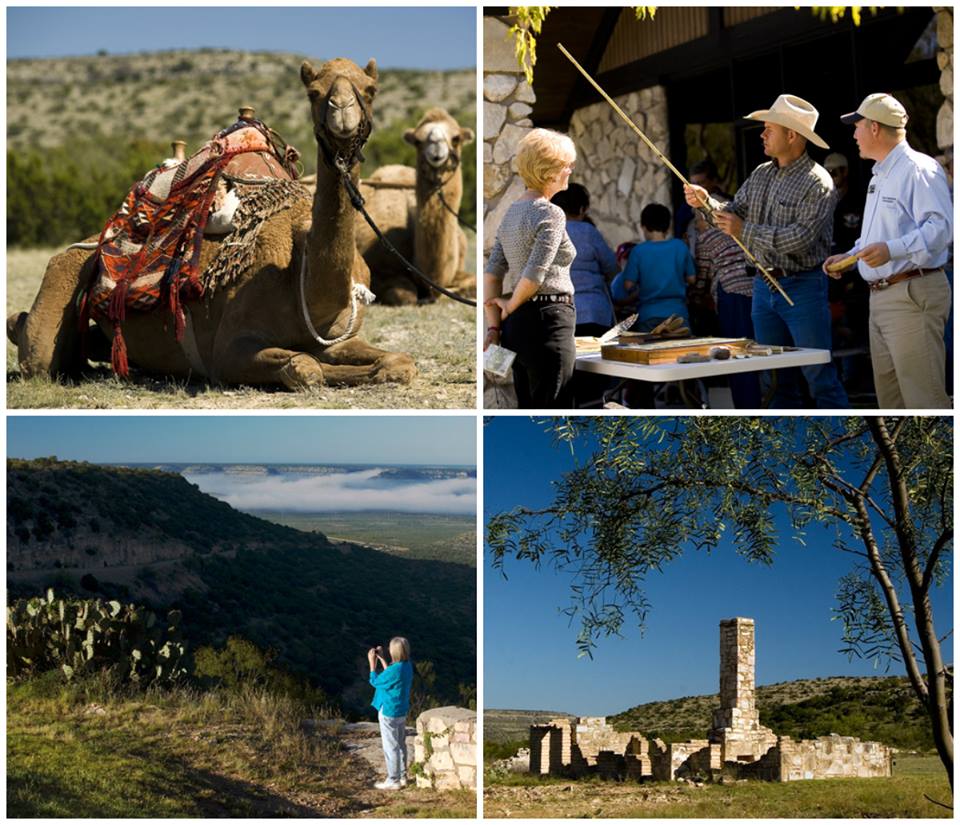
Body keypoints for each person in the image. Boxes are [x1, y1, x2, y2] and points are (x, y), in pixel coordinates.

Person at [683, 93, 849, 409]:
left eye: (768, 129)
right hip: (763, 287)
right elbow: (733, 211)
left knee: (819, 377)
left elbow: (800, 238)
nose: (761, 134)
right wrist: (706, 201)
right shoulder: (761, 174)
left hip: (802, 288)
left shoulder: (819, 182)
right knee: (773, 380)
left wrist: (743, 231)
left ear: (791, 135)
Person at [823, 93, 953, 409]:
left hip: (911, 293)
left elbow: (942, 229)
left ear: (875, 128)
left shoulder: (918, 168)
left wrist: (891, 250)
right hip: (884, 296)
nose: (854, 135)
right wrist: (850, 259)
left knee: (925, 403)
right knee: (892, 406)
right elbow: (879, 238)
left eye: (858, 126)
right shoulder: (880, 174)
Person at [484, 128, 577, 408]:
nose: (571, 171)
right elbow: (535, 273)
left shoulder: (510, 212)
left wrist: (494, 327)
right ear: (550, 171)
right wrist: (510, 305)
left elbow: (492, 272)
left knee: (528, 410)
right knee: (556, 412)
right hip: (549, 321)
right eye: (567, 165)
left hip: (515, 329)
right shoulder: (551, 212)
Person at [693, 211, 761, 408]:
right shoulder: (739, 230)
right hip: (757, 290)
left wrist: (694, 297)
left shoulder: (706, 238)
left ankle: (747, 408)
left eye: (697, 219)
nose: (696, 225)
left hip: (731, 293)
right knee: (757, 350)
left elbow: (702, 275)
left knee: (737, 354)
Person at [610, 203, 694, 332]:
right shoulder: (680, 246)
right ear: (668, 226)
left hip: (648, 315)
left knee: (650, 351)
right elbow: (692, 279)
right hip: (678, 314)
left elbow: (628, 285)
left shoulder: (638, 251)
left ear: (644, 227)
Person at [550, 183, 619, 337]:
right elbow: (611, 266)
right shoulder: (589, 231)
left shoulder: (549, 233)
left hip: (559, 312)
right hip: (594, 311)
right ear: (582, 209)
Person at [368, 637, 414, 791]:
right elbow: (391, 676)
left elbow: (375, 681)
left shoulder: (396, 669)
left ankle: (392, 780)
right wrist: (382, 660)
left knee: (390, 746)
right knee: (400, 744)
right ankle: (402, 777)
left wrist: (372, 664)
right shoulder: (407, 666)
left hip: (389, 710)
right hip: (401, 710)